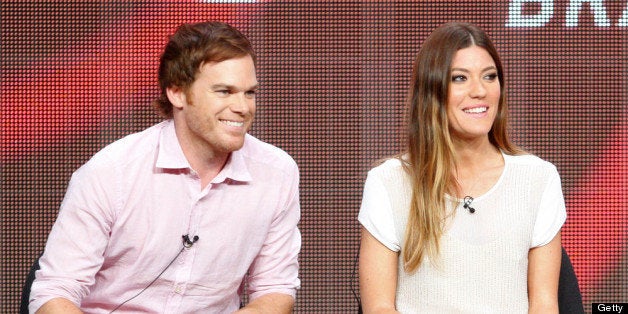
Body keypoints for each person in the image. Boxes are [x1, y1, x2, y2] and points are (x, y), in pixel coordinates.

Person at [29, 21, 301, 313]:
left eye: (249, 93)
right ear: (177, 93)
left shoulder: (277, 173)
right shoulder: (112, 172)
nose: (243, 107)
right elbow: (54, 293)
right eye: (224, 91)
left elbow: (275, 289)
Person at [358, 22, 566, 313]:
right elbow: (379, 307)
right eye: (459, 78)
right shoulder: (389, 182)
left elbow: (544, 304)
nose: (479, 91)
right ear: (432, 90)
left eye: (489, 77)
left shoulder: (538, 178)